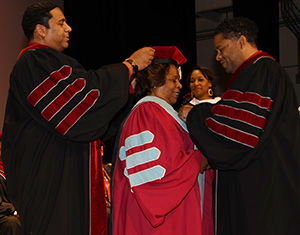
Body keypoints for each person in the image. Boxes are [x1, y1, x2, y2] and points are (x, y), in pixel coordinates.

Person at [1, 2, 154, 235]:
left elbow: (89, 113)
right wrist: (129, 65)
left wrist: (128, 88)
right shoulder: (33, 63)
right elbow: (82, 103)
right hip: (50, 180)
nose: (69, 28)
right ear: (41, 30)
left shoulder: (51, 63)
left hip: (66, 174)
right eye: (61, 23)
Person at [179, 17, 300, 235]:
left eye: (221, 49)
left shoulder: (260, 70)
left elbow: (237, 129)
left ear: (241, 41)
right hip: (265, 183)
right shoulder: (255, 73)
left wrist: (194, 113)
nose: (218, 57)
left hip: (263, 191)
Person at [111, 46, 214, 235]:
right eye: (174, 80)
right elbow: (159, 174)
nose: (179, 85)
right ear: (156, 81)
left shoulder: (164, 113)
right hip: (157, 223)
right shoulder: (147, 112)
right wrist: (200, 160)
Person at [0, 132, 21, 235]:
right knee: (12, 223)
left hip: (17, 213)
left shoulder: (14, 170)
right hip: (3, 217)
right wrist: (15, 211)